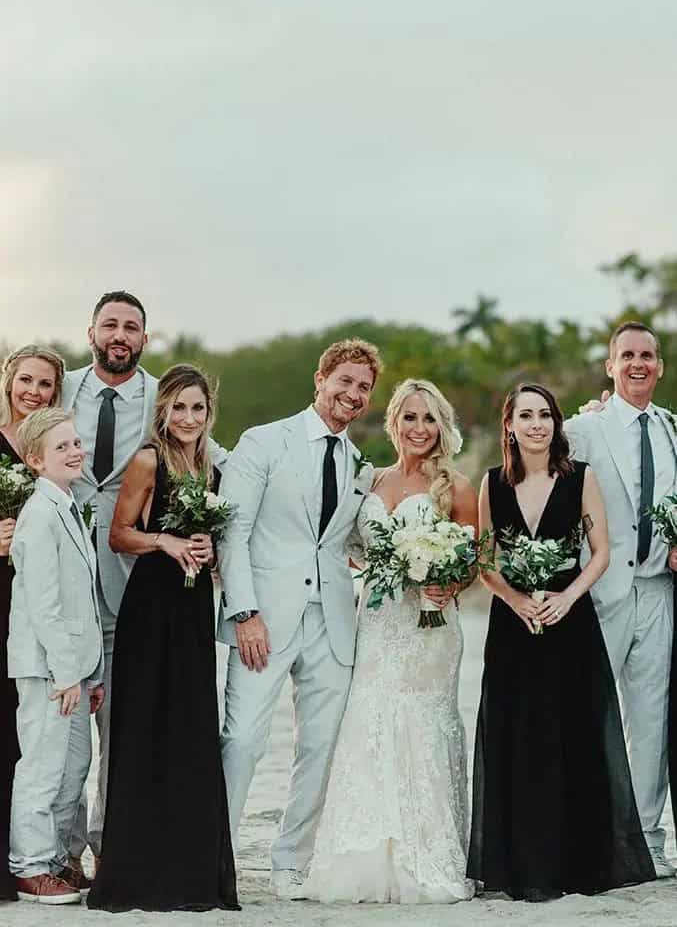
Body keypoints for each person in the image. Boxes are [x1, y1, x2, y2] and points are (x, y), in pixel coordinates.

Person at [468, 383, 654, 900]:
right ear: (509, 425)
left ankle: (578, 862)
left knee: (573, 734)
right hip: (514, 629)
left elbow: (601, 552)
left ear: (556, 423)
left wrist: (566, 597)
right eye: (525, 416)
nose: (536, 425)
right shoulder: (492, 485)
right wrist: (516, 600)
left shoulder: (580, 479)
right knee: (519, 736)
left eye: (545, 415)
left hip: (570, 624)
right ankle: (521, 862)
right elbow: (486, 563)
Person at [218, 338, 382, 899]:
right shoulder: (264, 441)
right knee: (242, 738)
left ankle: (291, 860)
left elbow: (346, 542)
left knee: (322, 745)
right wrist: (244, 612)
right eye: (346, 381)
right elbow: (232, 532)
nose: (353, 394)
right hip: (264, 617)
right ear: (321, 379)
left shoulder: (360, 463)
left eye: (364, 388)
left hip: (334, 620)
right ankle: (217, 853)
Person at [304, 379, 476, 903]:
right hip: (377, 623)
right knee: (369, 720)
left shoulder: (457, 486)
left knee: (422, 724)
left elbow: (472, 560)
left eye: (429, 419)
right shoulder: (368, 479)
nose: (419, 428)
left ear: (441, 426)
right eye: (409, 417)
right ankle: (366, 855)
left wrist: (448, 580)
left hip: (429, 626)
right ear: (393, 422)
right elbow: (346, 544)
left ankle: (426, 854)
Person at [87, 365, 239, 913]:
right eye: (179, 407)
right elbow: (119, 534)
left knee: (189, 727)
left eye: (197, 408)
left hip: (194, 609)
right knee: (146, 727)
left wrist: (206, 551)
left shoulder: (212, 468)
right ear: (164, 411)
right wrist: (167, 544)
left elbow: (219, 540)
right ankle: (135, 868)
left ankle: (187, 866)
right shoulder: (148, 459)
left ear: (208, 412)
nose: (189, 418)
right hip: (151, 608)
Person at [566, 322, 677, 877]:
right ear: (610, 366)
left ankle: (647, 841)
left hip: (659, 592)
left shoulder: (672, 429)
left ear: (659, 366)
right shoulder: (585, 428)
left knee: (650, 720)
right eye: (627, 355)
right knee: (590, 713)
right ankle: (586, 836)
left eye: (648, 356)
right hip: (601, 591)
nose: (638, 364)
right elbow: (536, 462)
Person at [61, 291, 157, 877]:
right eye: (111, 324)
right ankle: (60, 852)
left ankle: (110, 844)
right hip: (63, 591)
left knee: (119, 731)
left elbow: (210, 455)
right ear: (92, 331)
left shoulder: (160, 400)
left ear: (144, 338)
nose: (120, 334)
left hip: (130, 590)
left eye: (131, 327)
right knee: (65, 740)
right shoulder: (58, 389)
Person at [8, 408, 104, 905]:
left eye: (75, 443)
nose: (74, 452)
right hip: (47, 669)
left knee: (74, 768)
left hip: (74, 670)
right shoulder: (39, 515)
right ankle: (28, 866)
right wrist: (67, 674)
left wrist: (92, 674)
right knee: (43, 767)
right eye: (61, 447)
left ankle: (56, 859)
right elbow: (44, 607)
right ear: (35, 461)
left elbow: (82, 600)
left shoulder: (67, 504)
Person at [0, 345, 65, 902]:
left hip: (30, 608)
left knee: (24, 738)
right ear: (8, 380)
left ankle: (24, 853)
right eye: (26, 380)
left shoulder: (48, 453)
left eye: (45, 385)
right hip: (6, 597)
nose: (34, 392)